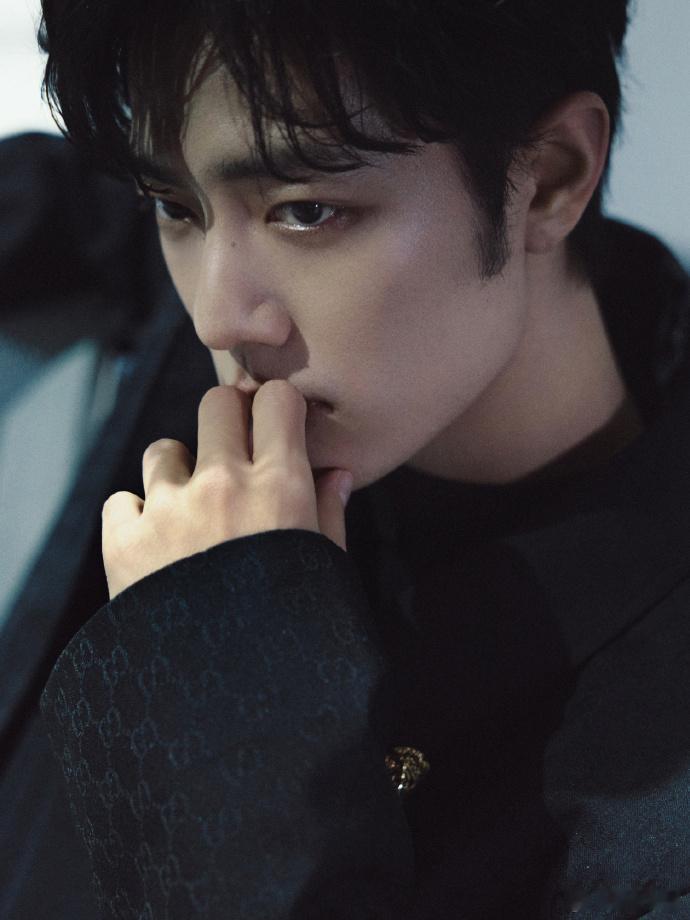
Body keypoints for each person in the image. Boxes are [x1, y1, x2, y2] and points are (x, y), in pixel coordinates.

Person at [2, 0, 690, 916]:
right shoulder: (259, 301)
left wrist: (222, 668)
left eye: (306, 211)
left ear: (550, 178)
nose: (218, 317)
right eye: (172, 205)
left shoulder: (651, 806)